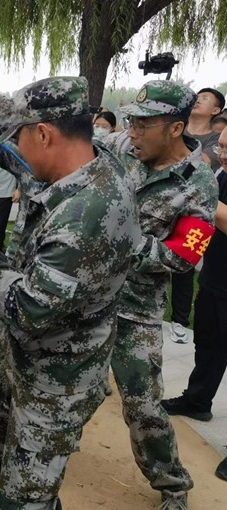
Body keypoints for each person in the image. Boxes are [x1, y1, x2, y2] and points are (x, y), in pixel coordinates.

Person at [0, 76, 138, 510]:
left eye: (20, 136)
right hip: (30, 352)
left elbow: (26, 308)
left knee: (26, 496)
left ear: (44, 134)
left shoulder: (87, 214)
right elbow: (15, 154)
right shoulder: (87, 162)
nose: (16, 146)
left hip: (60, 375)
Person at [106, 81, 218, 510]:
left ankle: (172, 485)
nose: (132, 131)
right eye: (131, 121)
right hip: (90, 297)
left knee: (142, 406)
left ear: (175, 128)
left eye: (143, 124)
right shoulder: (125, 151)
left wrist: (116, 243)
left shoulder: (199, 183)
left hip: (135, 310)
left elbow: (184, 257)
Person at [161, 128, 227, 426]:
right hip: (215, 279)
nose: (223, 155)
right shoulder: (221, 177)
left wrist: (199, 189)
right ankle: (198, 400)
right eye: (221, 147)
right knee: (208, 343)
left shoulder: (209, 183)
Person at [168, 87, 226, 344]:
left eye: (205, 98)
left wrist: (170, 145)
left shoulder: (214, 142)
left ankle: (179, 319)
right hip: (166, 202)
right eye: (221, 147)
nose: (223, 154)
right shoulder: (178, 128)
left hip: (194, 211)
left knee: (184, 264)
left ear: (216, 110)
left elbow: (202, 163)